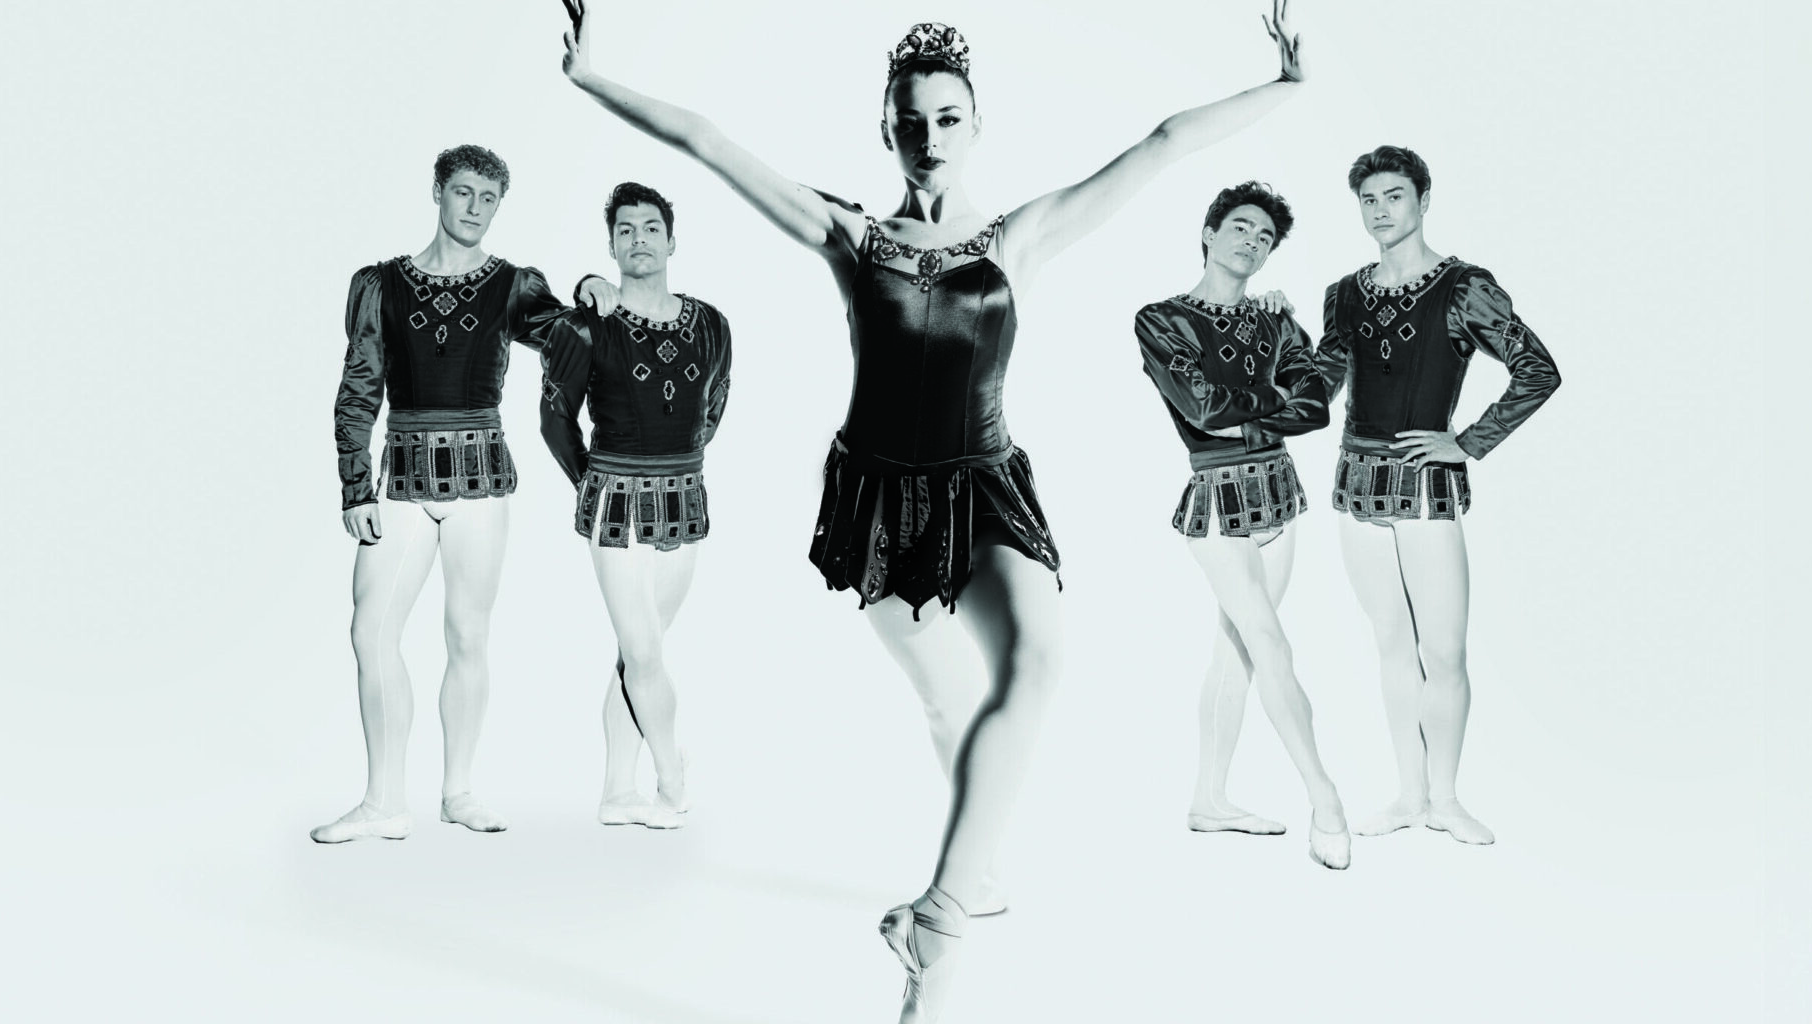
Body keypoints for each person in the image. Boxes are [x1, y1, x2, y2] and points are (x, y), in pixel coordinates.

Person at [558, 3, 1304, 1019]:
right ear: (886, 127)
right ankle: (970, 870)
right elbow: (706, 140)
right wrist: (589, 77)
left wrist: (1283, 88)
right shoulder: (850, 236)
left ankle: (937, 925)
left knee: (1038, 661)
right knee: (952, 703)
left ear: (976, 123)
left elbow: (1164, 142)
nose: (930, 137)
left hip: (984, 484)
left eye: (948, 118)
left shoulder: (1019, 237)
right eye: (911, 120)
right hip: (879, 498)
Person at [313, 144, 566, 843]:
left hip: (481, 482)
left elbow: (571, 339)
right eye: (463, 192)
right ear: (437, 191)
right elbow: (359, 385)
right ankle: (383, 802)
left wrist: (594, 291)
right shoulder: (381, 284)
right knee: (370, 630)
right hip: (400, 480)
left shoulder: (513, 286)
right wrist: (354, 485)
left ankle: (459, 792)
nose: (475, 208)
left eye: (489, 199)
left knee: (468, 634)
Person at [1315, 144, 1561, 846]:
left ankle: (1447, 800)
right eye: (1368, 200)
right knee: (1391, 645)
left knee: (1444, 651)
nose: (1380, 210)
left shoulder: (1463, 287)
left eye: (1393, 196)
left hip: (1427, 488)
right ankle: (1408, 794)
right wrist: (1275, 345)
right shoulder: (1343, 293)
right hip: (1357, 487)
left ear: (1423, 200)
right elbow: (1321, 383)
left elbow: (1537, 369)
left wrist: (1470, 441)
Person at [1133, 181, 1348, 869]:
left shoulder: (1275, 321)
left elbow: (1315, 408)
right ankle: (1325, 798)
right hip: (1217, 502)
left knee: (1237, 653)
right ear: (1208, 232)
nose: (1252, 242)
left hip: (1279, 499)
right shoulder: (1161, 319)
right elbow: (1202, 409)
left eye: (1264, 237)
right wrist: (1274, 396)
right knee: (1270, 642)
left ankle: (1210, 799)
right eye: (1241, 228)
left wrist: (1257, 405)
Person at [540, 182, 733, 830]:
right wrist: (592, 485)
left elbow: (715, 402)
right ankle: (673, 780)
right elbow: (554, 418)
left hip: (683, 504)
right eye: (626, 230)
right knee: (646, 654)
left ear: (672, 241)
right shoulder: (584, 325)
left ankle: (617, 791)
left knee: (634, 656)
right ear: (612, 245)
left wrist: (680, 455)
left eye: (651, 228)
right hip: (614, 508)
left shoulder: (712, 323)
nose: (639, 239)